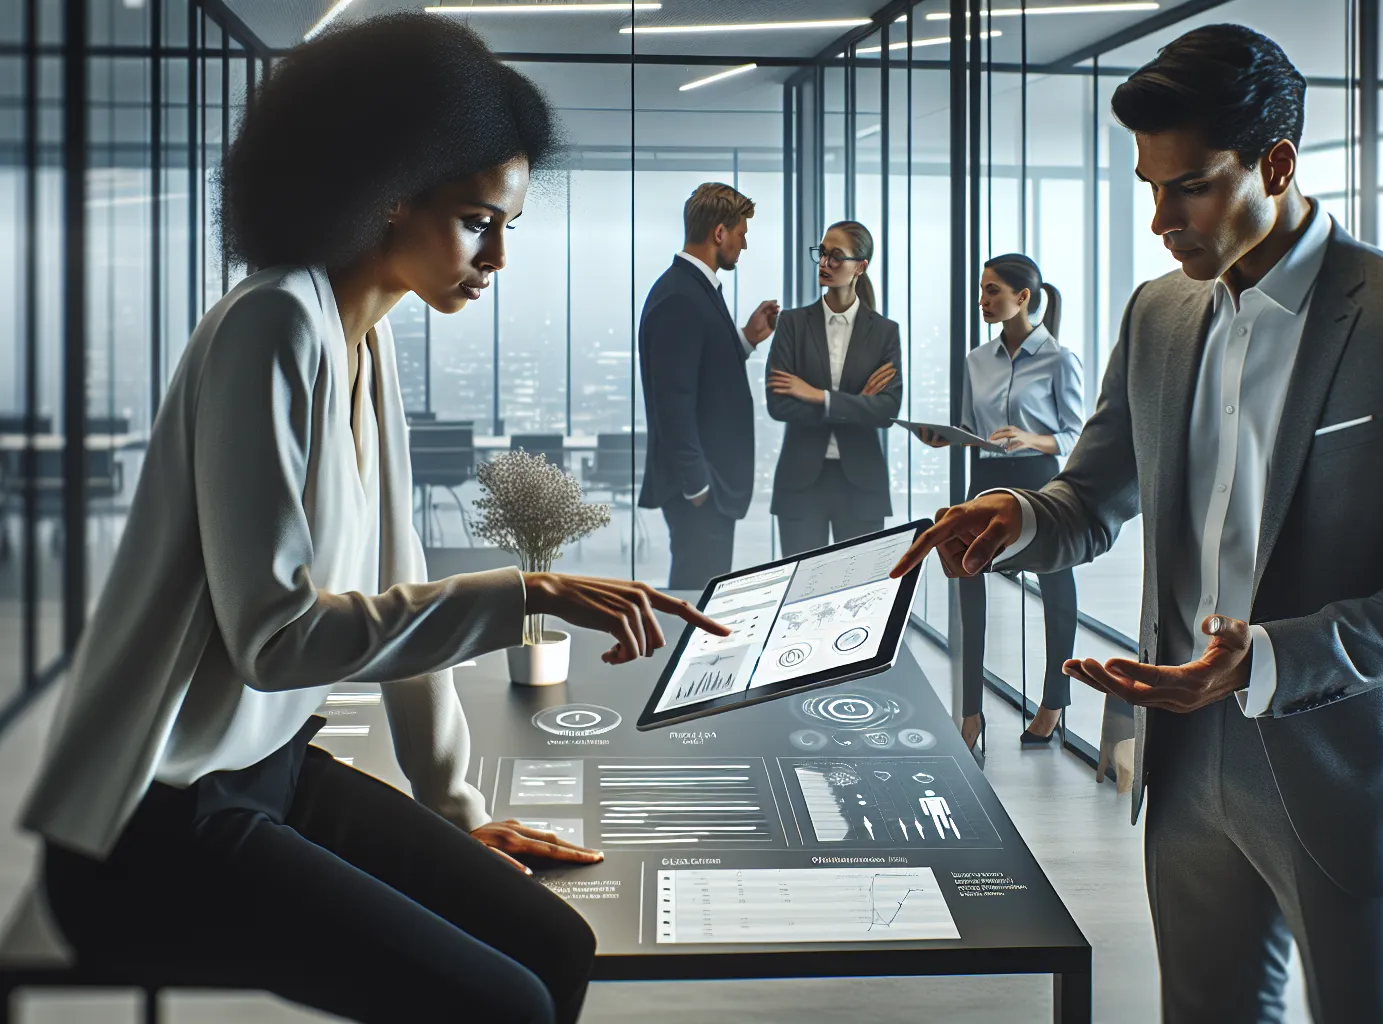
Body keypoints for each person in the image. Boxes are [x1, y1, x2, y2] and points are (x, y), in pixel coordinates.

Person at [19, 17, 727, 1024]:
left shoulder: (366, 338)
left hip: (269, 770)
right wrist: (527, 593)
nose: (497, 257)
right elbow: (276, 640)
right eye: (479, 221)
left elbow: (400, 575)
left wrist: (455, 806)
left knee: (555, 944)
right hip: (154, 828)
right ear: (388, 190)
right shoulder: (273, 325)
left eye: (508, 227)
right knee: (508, 1006)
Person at [892, 24, 1383, 1023]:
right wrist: (1015, 516)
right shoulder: (1159, 315)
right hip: (1184, 765)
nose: (1160, 221)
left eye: (1189, 188)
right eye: (1149, 186)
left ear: (1277, 164)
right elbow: (1089, 499)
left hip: (1351, 768)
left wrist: (1268, 656)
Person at [918, 254, 1083, 751]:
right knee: (967, 584)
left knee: (1057, 589)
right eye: (982, 290)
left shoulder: (1060, 358)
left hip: (1042, 483)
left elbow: (1074, 434)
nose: (983, 300)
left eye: (992, 291)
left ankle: (1053, 705)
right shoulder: (975, 360)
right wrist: (948, 437)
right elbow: (971, 426)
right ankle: (970, 714)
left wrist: (1030, 438)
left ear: (1022, 297)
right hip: (986, 480)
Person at [638, 183, 781, 590]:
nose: (744, 244)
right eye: (741, 234)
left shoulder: (693, 289)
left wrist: (746, 339)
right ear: (719, 233)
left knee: (702, 592)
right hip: (700, 490)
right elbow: (673, 401)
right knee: (696, 597)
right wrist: (697, 485)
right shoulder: (681, 297)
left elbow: (702, 375)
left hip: (707, 487)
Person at [765, 220, 903, 555]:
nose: (825, 263)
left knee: (861, 585)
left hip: (862, 485)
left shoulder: (884, 332)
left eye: (836, 256)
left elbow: (887, 410)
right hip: (800, 483)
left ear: (861, 267)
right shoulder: (792, 324)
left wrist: (819, 397)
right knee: (800, 583)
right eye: (822, 253)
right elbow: (779, 403)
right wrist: (856, 404)